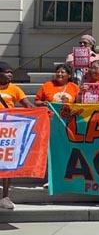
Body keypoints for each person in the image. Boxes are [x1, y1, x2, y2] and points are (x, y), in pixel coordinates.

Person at [0, 61, 35, 210]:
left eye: (11, 72)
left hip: (9, 132)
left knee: (7, 164)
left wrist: (43, 112)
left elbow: (29, 106)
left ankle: (5, 197)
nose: (10, 75)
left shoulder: (15, 89)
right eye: (7, 72)